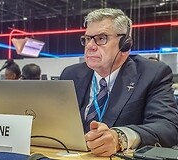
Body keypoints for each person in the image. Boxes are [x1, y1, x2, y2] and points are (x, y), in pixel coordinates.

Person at [60, 8, 178, 157]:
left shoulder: (152, 73)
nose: (90, 45)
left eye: (101, 38)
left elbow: (168, 128)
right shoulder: (71, 74)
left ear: (125, 45)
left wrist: (120, 138)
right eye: (87, 39)